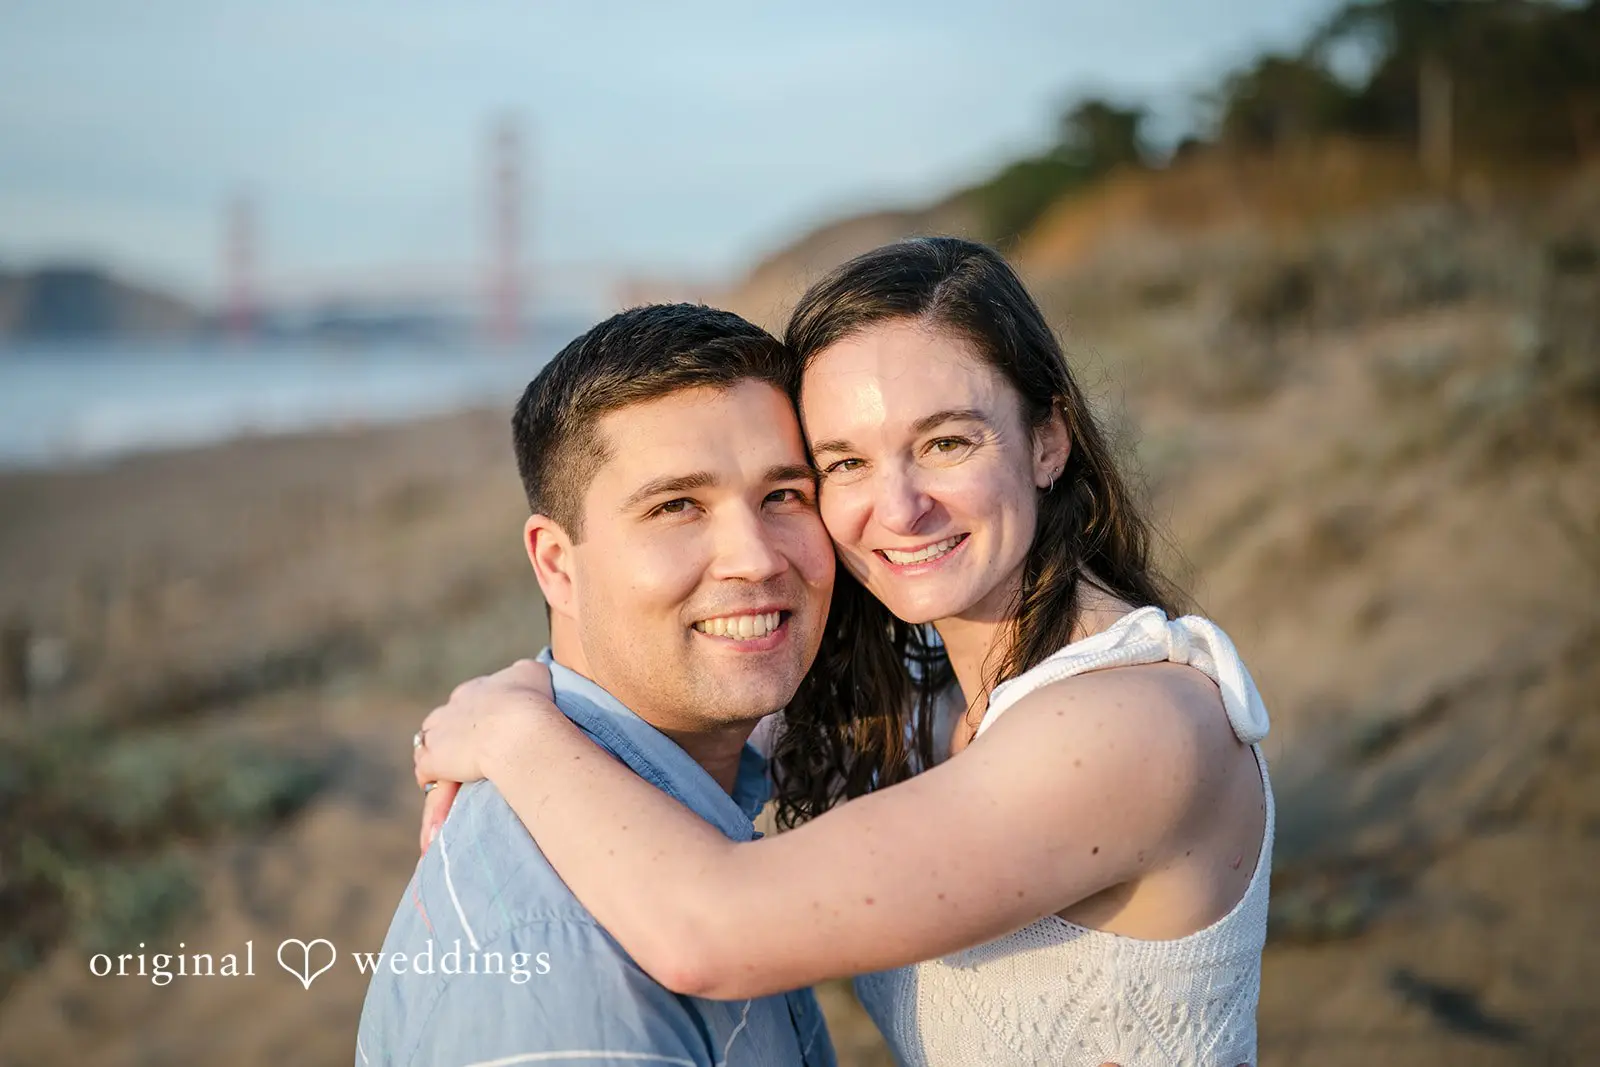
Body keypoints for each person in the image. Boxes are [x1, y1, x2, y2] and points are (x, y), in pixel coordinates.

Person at [412, 238, 1274, 1067]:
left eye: (946, 443)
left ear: (1049, 439)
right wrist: (532, 684)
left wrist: (513, 732)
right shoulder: (914, 697)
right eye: (844, 462)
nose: (898, 509)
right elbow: (670, 704)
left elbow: (709, 931)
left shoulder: (1128, 723)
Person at [355, 303, 838, 1067]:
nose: (755, 557)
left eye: (784, 494)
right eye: (677, 505)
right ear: (556, 564)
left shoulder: (699, 778)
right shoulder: (563, 976)